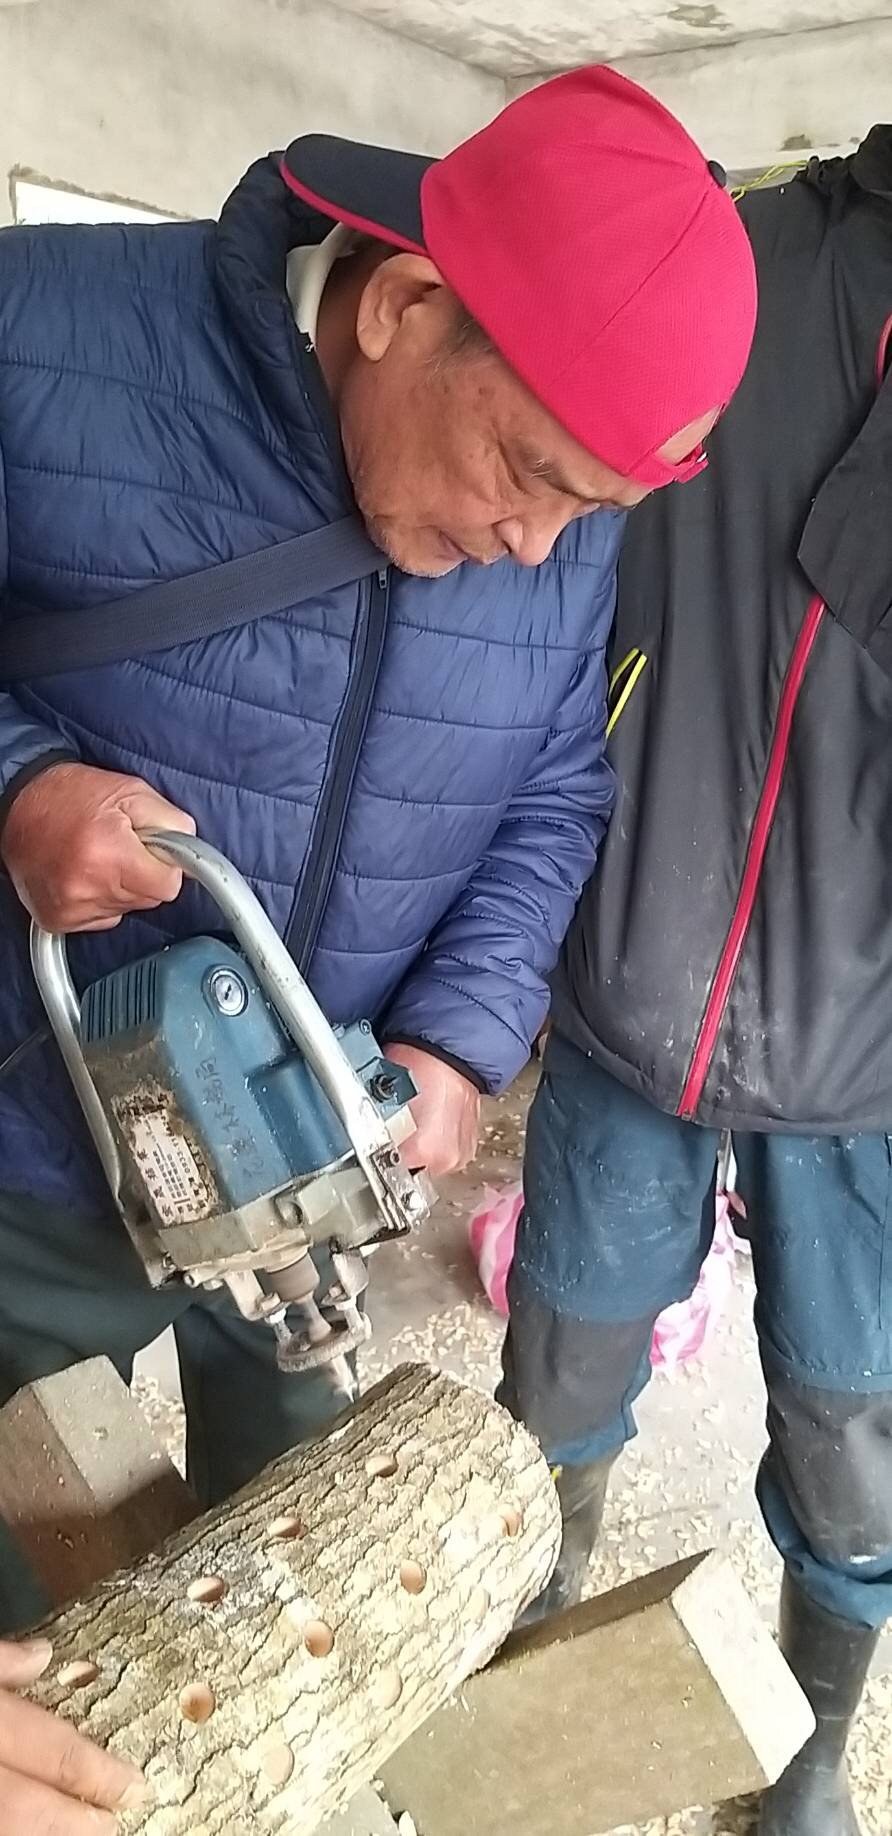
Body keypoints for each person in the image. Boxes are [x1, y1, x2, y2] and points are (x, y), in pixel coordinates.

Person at [0, 64, 755, 1824]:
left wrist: (458, 1040)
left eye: (590, 514)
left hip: (306, 1167)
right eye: (525, 473)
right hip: (32, 1140)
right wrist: (20, 789)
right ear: (404, 304)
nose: (534, 543)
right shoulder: (38, 339)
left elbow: (555, 787)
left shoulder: (553, 527)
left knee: (299, 1568)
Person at [499, 127, 892, 1836]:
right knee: (560, 1381)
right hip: (632, 975)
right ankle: (523, 1686)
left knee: (858, 1445)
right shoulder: (730, 260)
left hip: (874, 1062)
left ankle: (807, 1757)